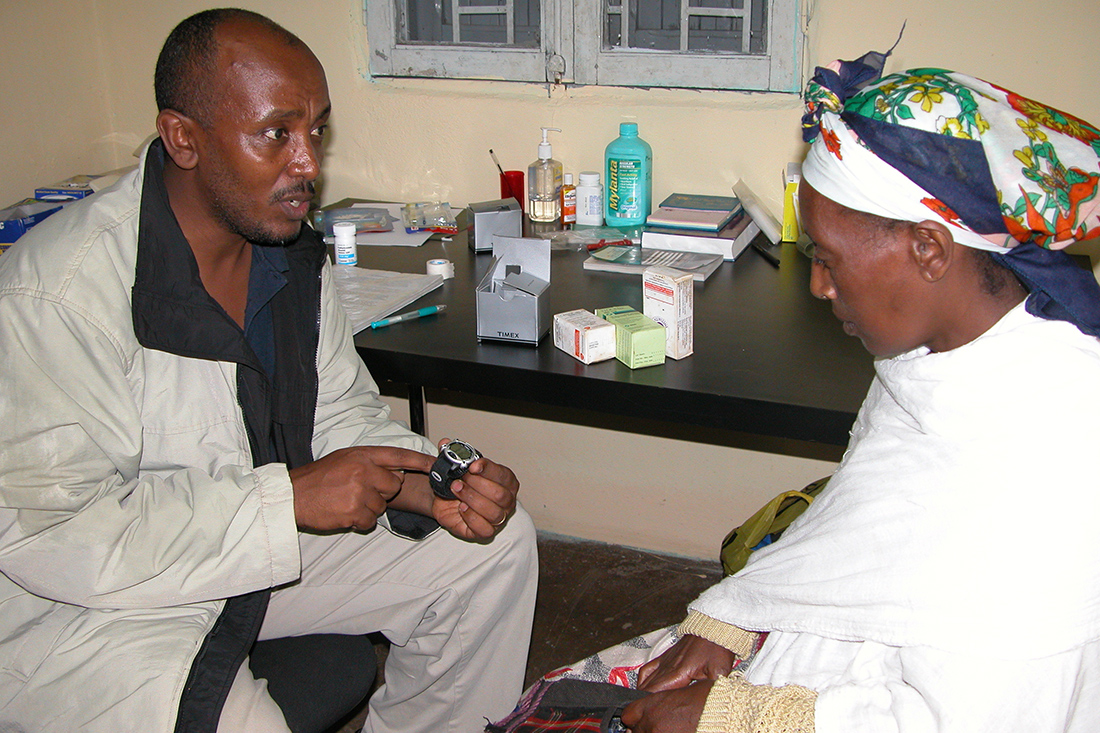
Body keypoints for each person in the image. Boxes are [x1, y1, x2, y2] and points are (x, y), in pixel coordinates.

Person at [525, 56, 1100, 733]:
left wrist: (737, 715)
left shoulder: (1055, 459)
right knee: (553, 704)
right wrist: (733, 616)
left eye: (827, 259)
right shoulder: (941, 357)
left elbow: (982, 715)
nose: (819, 287)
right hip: (859, 661)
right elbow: (867, 518)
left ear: (929, 249)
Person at [0, 9, 537, 733]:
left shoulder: (287, 251)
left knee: (493, 549)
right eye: (276, 133)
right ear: (183, 138)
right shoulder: (58, 293)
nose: (310, 162)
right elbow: (55, 530)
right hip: (90, 608)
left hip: (248, 551)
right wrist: (284, 501)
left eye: (316, 129)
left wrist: (429, 482)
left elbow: (339, 414)